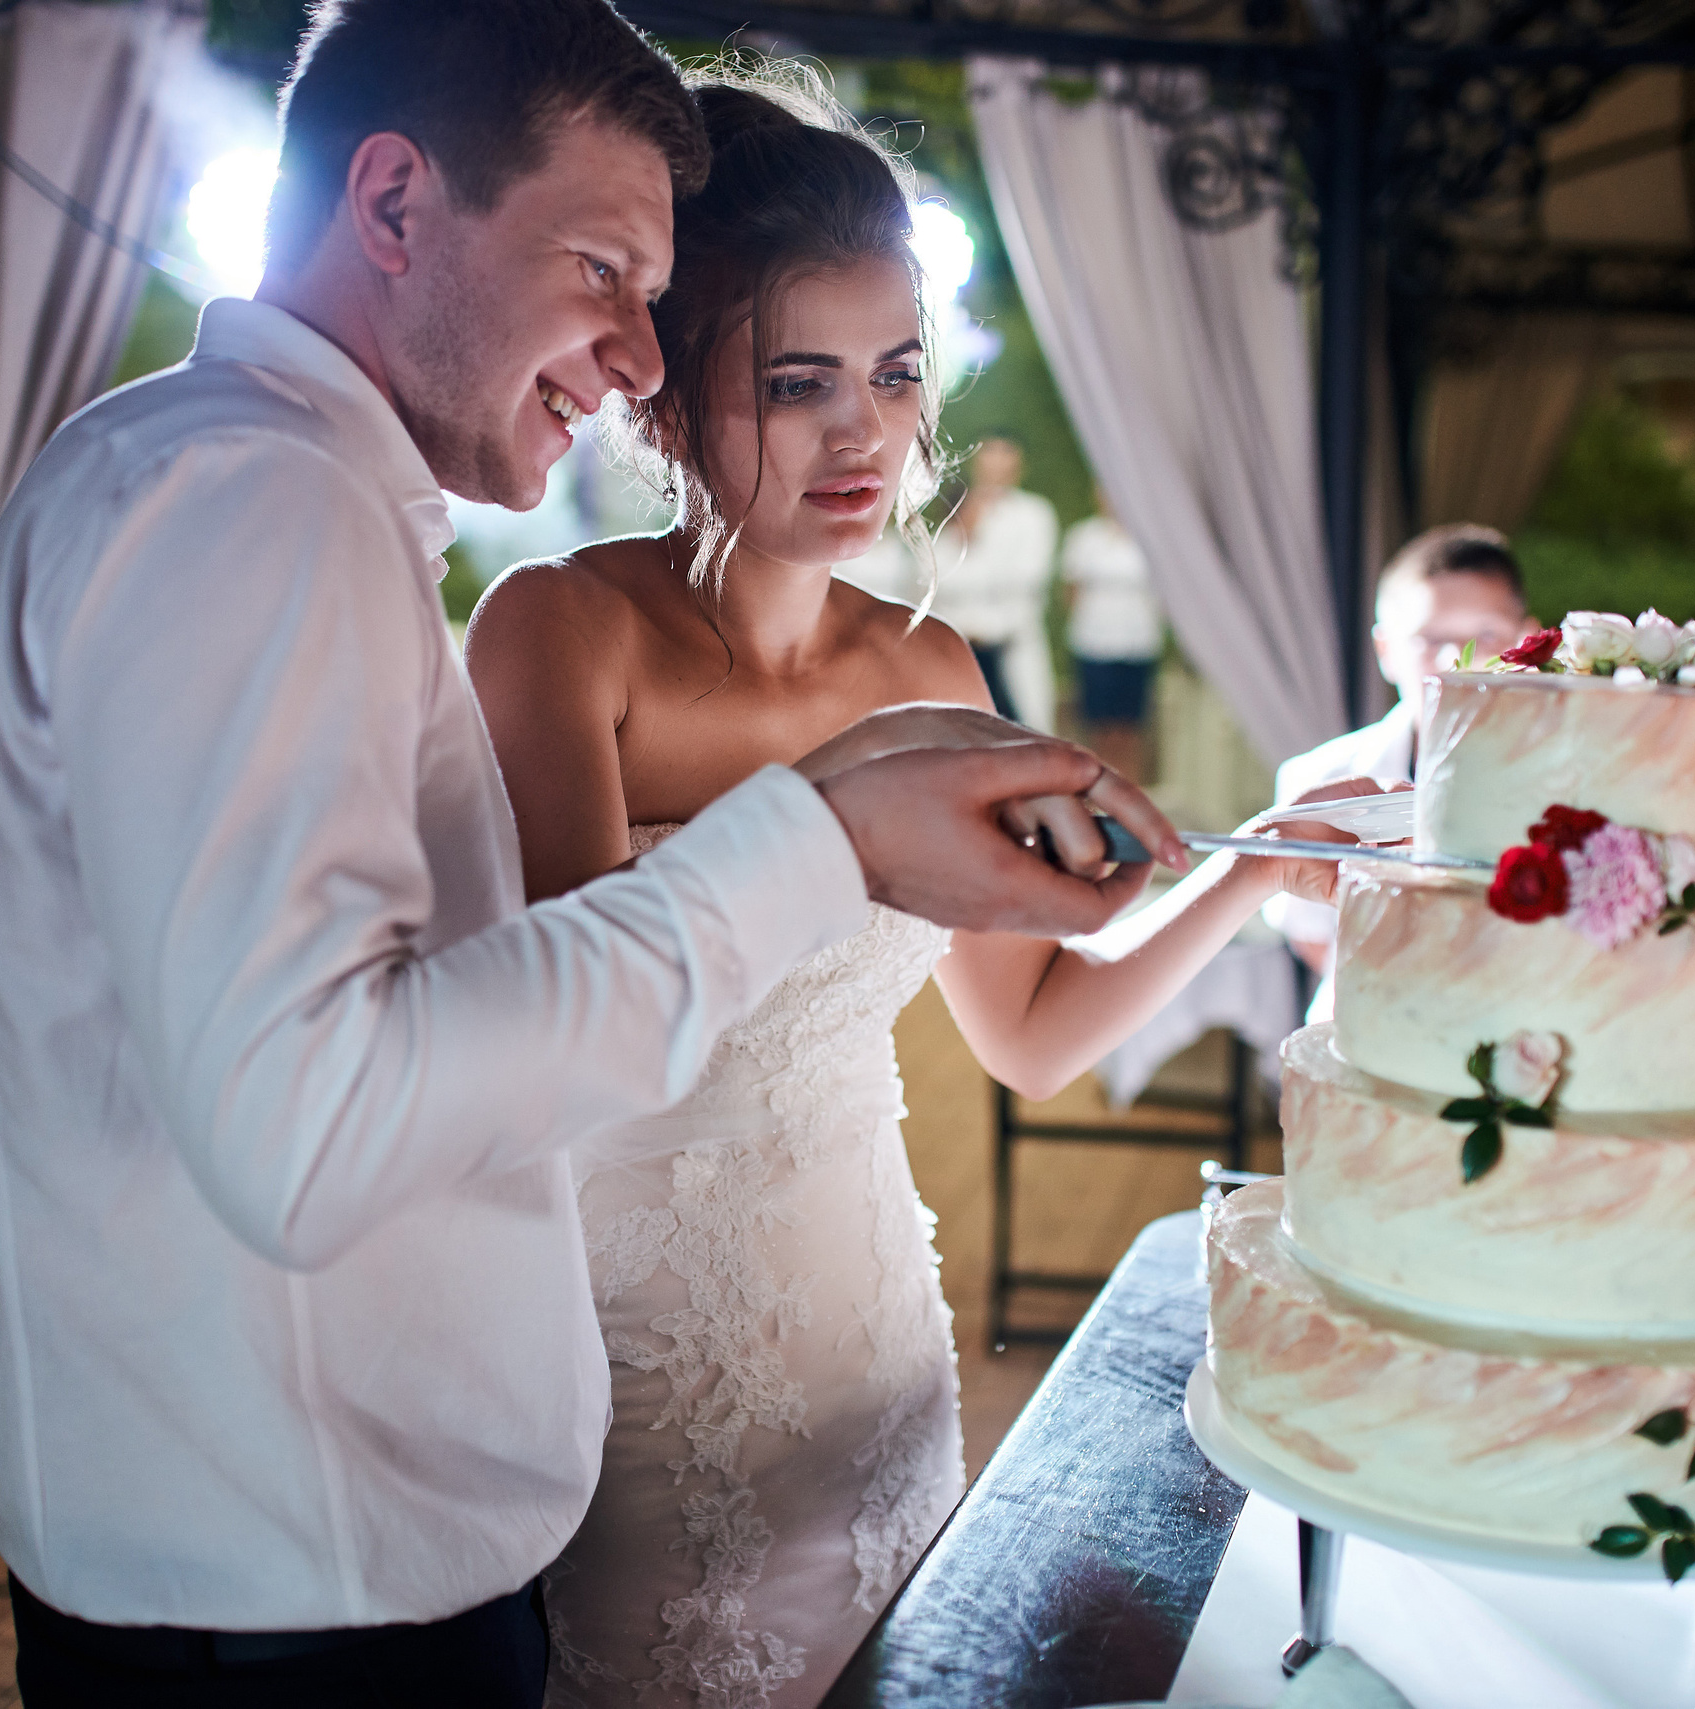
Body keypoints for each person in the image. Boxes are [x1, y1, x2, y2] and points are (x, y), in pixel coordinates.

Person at [0, 9, 1191, 1705]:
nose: (636, 353)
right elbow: (309, 1123)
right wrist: (821, 836)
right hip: (292, 1615)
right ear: (393, 206)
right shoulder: (255, 508)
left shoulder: (292, 502)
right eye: (604, 269)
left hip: (351, 1573)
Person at [458, 73, 1367, 1707]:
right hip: (641, 1383)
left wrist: (1255, 865)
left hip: (877, 1338)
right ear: (660, 399)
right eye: (796, 381)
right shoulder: (560, 629)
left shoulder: (934, 663)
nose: (862, 432)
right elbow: (571, 1041)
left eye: (892, 373)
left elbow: (1027, 1029)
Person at [1266, 524, 1534, 1013]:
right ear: (1386, 651)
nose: (1459, 658)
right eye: (1431, 640)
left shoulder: (1563, 774)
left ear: (1529, 640)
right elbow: (1309, 932)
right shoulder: (1317, 776)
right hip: (1371, 1014)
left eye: (1487, 635)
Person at [931, 434, 1059, 728]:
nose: (996, 463)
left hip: (1009, 646)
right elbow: (936, 577)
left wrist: (977, 546)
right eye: (989, 454)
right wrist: (965, 530)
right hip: (961, 651)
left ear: (1019, 464)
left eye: (1005, 454)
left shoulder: (1034, 514)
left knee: (1024, 736)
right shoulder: (956, 510)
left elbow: (1026, 578)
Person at [1061, 487, 1165, 781]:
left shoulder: (1150, 537)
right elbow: (1072, 590)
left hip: (1137, 643)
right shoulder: (1084, 537)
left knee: (1131, 726)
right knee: (1098, 724)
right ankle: (1097, 789)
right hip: (1094, 643)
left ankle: (1130, 787)